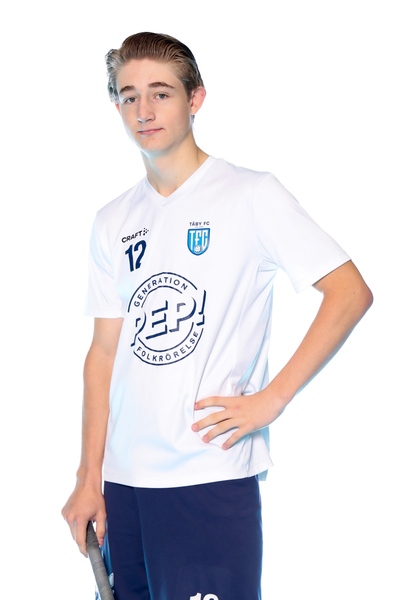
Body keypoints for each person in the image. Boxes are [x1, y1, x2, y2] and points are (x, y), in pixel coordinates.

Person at [61, 31, 373, 600]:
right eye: (129, 96)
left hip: (208, 476)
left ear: (195, 98)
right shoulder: (112, 220)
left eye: (161, 93)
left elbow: (349, 292)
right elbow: (104, 353)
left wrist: (272, 399)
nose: (144, 110)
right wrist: (89, 477)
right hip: (124, 486)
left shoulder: (250, 195)